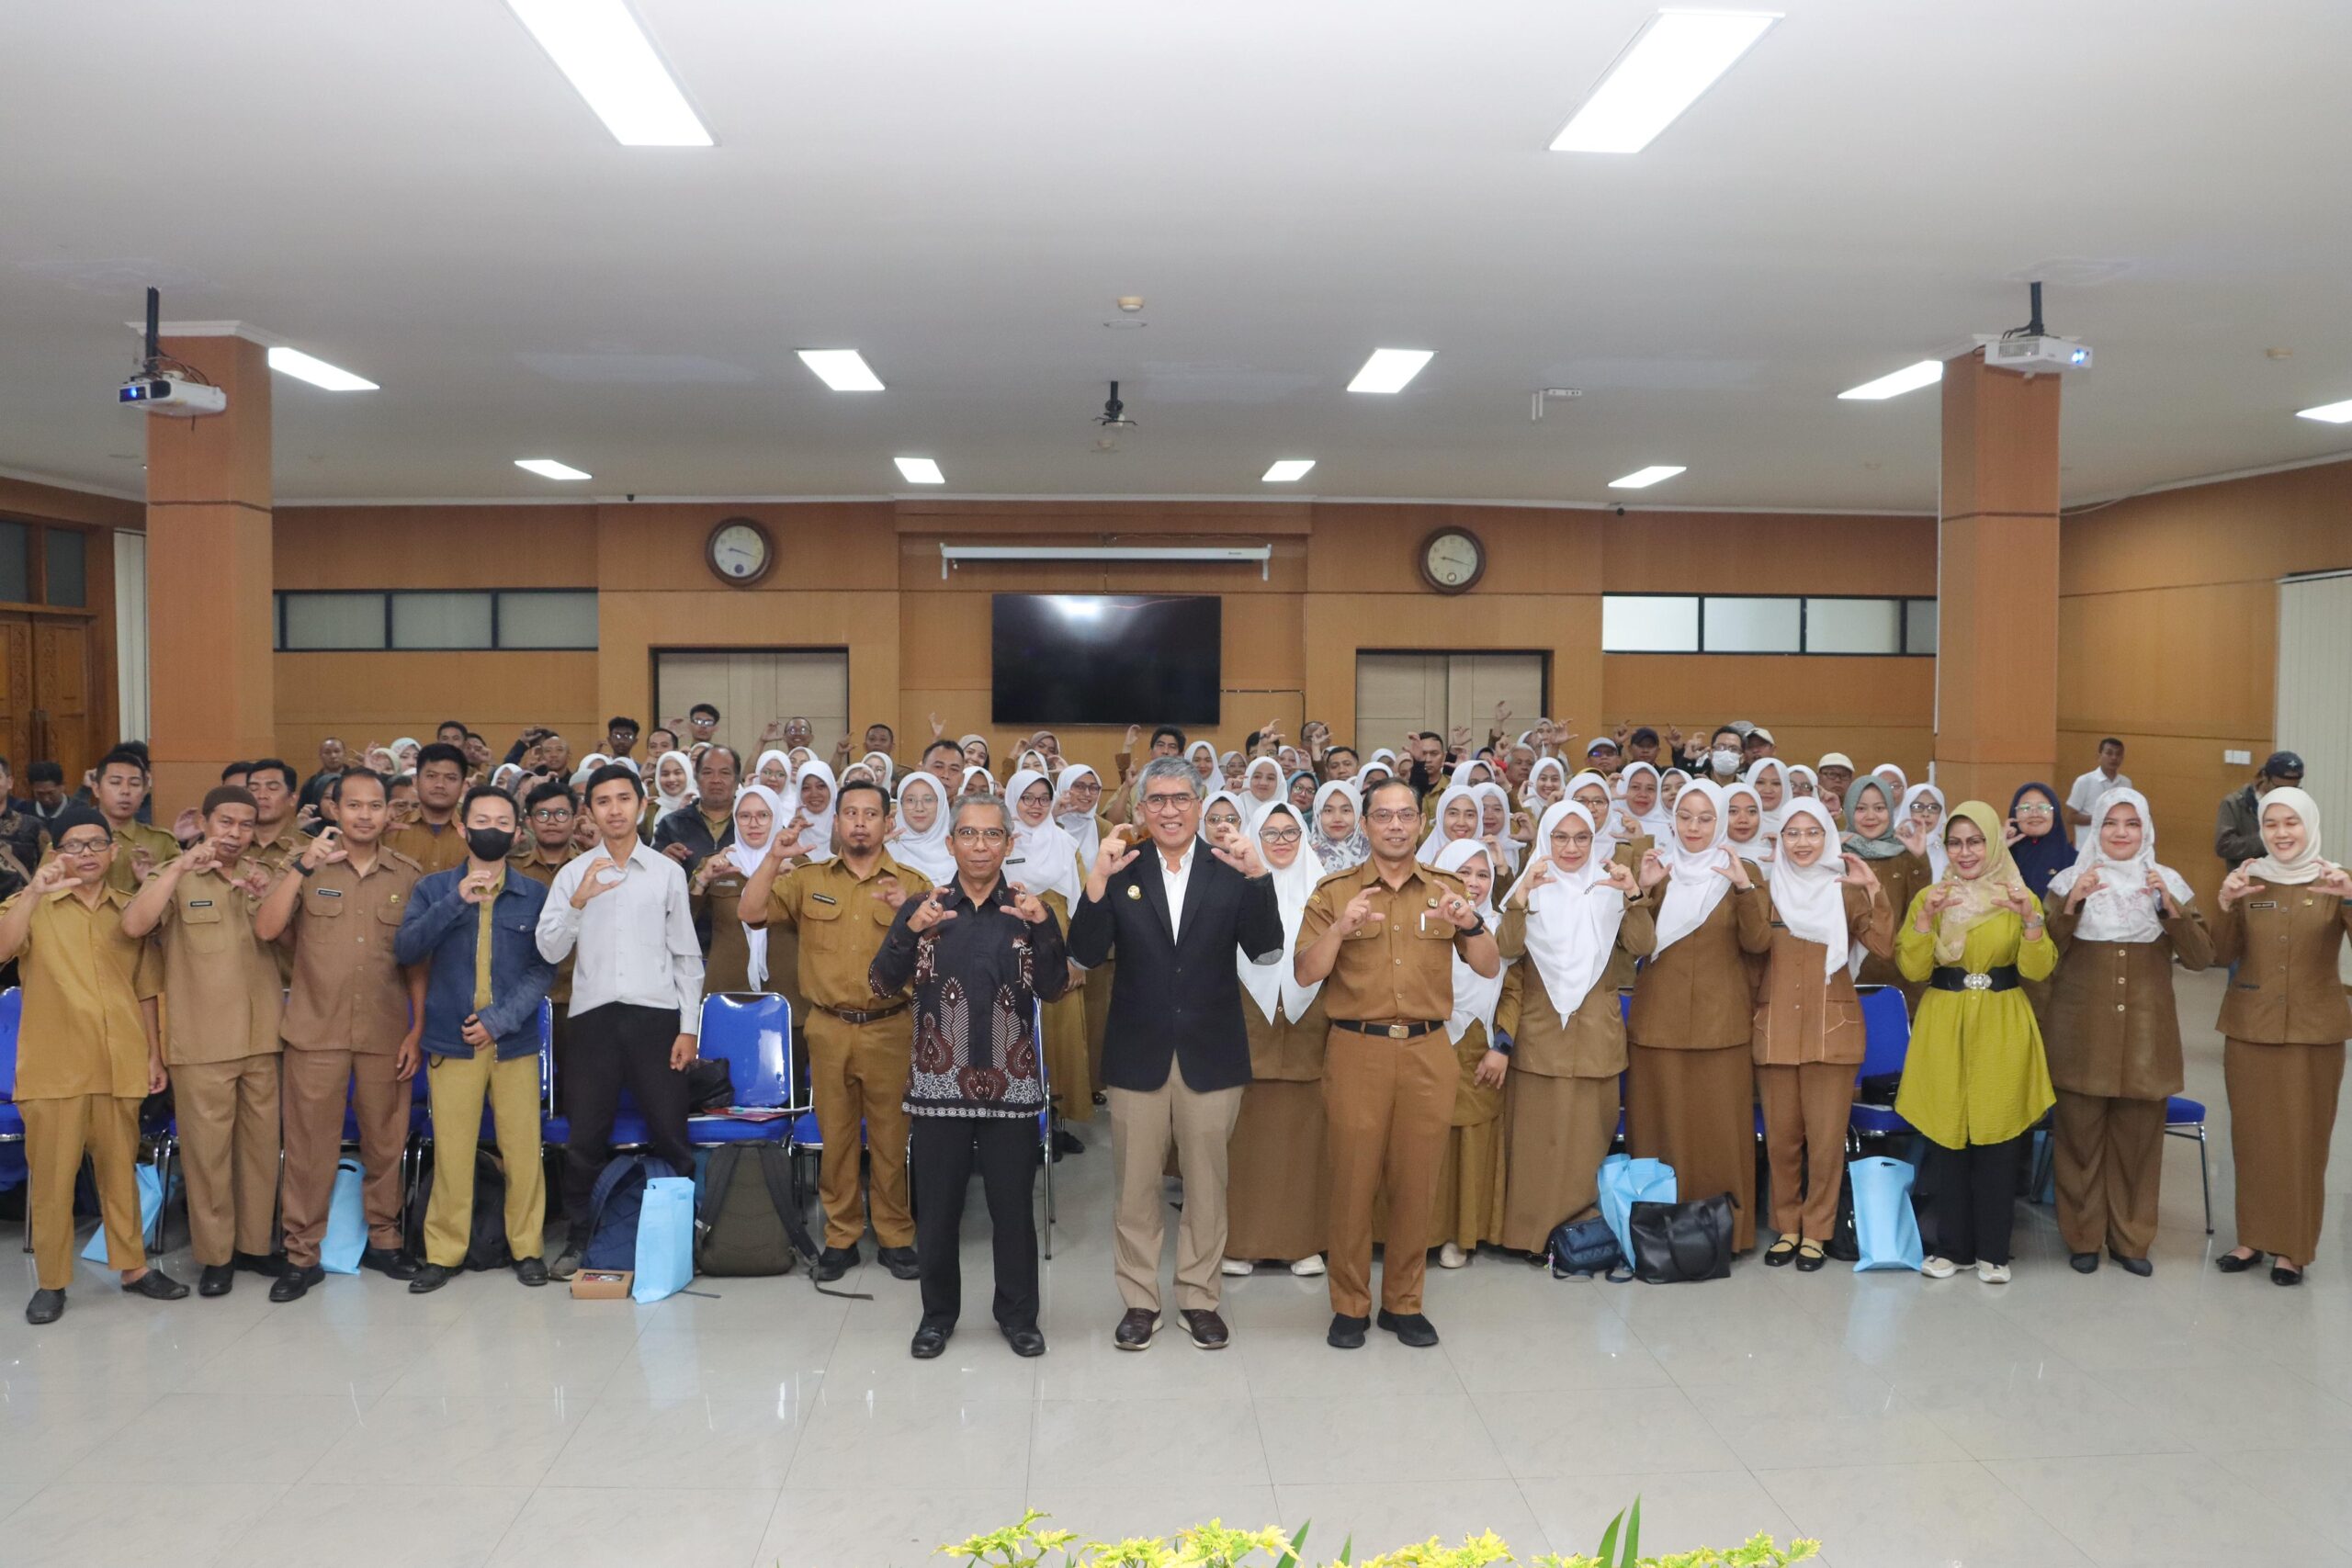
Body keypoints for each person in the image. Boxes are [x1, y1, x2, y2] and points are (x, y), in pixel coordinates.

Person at [1068, 757, 1282, 1351]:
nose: (1169, 810)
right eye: (1157, 800)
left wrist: (1258, 874)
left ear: (1200, 805)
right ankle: (1140, 1300)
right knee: (1135, 1188)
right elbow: (1083, 954)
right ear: (1141, 809)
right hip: (1138, 1053)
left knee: (1206, 1188)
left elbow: (1266, 951)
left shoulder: (1229, 868)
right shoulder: (1122, 868)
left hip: (1211, 1053)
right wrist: (1096, 880)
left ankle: (1198, 1297)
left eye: (1180, 798)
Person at [1295, 777, 1500, 1349]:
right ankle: (1350, 1306)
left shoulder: (1446, 889)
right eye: (1383, 816)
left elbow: (1489, 966)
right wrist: (1341, 929)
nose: (1395, 826)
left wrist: (1470, 922)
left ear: (1420, 823)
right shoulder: (1335, 891)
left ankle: (1404, 1303)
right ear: (1365, 825)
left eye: (1406, 815)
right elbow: (1305, 972)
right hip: (1357, 1048)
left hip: (1428, 1051)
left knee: (1417, 1181)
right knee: (1352, 1181)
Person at [870, 793, 1069, 1359]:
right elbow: (881, 983)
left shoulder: (1028, 910)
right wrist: (910, 931)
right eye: (968, 834)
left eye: (991, 835)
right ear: (950, 841)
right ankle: (937, 1317)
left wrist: (1045, 928)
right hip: (939, 1090)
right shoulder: (926, 907)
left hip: (1013, 1088)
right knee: (937, 1213)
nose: (980, 846)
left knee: (1014, 1212)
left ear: (1009, 843)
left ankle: (1018, 1317)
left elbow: (1056, 988)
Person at [2, 809, 187, 1323]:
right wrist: (33, 892)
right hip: (53, 1068)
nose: (85, 854)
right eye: (73, 845)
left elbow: (146, 989)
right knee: (52, 1183)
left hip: (118, 1061)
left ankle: (134, 1268)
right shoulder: (32, 905)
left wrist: (153, 1053)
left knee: (121, 1174)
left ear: (113, 851)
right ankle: (52, 1282)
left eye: (95, 844)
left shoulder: (129, 910)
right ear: (56, 852)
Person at [742, 778, 931, 1282]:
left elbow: (938, 957)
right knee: (837, 1139)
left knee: (891, 1139)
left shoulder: (912, 884)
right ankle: (841, 1236)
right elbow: (750, 912)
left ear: (888, 823)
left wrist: (909, 913)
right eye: (851, 814)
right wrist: (772, 857)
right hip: (828, 1027)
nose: (860, 823)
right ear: (837, 821)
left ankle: (895, 1235)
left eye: (871, 814)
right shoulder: (808, 879)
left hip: (890, 1026)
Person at [253, 772, 427, 1298]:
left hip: (385, 1029)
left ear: (389, 813)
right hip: (315, 1031)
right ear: (335, 810)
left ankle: (385, 1240)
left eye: (375, 806)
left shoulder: (408, 875)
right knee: (309, 1147)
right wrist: (303, 864)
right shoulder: (306, 865)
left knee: (385, 1142)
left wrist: (417, 1029)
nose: (365, 815)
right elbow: (266, 929)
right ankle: (301, 1254)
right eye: (354, 805)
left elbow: (418, 965)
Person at [538, 764, 705, 1280]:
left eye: (623, 799)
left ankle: (684, 1235)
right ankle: (580, 1235)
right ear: (589, 811)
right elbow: (548, 948)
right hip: (592, 1022)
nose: (614, 809)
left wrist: (689, 1028)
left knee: (671, 1133)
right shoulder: (573, 874)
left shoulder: (666, 872)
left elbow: (686, 957)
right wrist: (578, 901)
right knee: (585, 1139)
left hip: (656, 1020)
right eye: (603, 801)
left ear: (642, 804)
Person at [120, 786, 287, 1296]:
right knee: (208, 1157)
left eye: (245, 824)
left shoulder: (263, 877)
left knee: (260, 1152)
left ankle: (254, 1246)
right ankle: (217, 1256)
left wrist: (268, 893)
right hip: (202, 1041)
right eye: (225, 822)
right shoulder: (177, 875)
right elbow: (134, 924)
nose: (235, 833)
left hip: (262, 1038)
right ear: (205, 821)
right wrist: (176, 866)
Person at [393, 784, 558, 1292]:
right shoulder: (433, 889)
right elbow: (406, 949)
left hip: (512, 1042)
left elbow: (543, 969)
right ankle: (444, 1253)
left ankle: (527, 1248)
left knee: (523, 1152)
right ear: (463, 828)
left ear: (517, 832)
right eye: (481, 821)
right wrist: (454, 902)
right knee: (453, 1151)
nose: (492, 829)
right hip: (451, 1041)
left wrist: (498, 1020)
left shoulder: (534, 894)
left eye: (503, 822)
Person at [2043, 789, 2211, 1276]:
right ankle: (2082, 1238)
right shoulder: (2068, 881)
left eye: (2132, 823)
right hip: (2080, 1033)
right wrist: (2072, 904)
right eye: (2111, 823)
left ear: (2146, 830)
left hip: (2146, 1037)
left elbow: (2202, 957)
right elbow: (2041, 954)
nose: (2121, 832)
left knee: (2139, 1145)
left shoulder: (2168, 883)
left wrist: (2169, 909)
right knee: (2078, 1141)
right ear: (2096, 828)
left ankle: (2132, 1241)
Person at [1894, 801, 2058, 1283]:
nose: (1965, 852)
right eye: (1955, 843)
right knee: (1947, 1136)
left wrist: (2031, 921)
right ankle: (1952, 1248)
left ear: (1993, 843)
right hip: (1944, 1022)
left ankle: (1994, 1252)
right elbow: (1913, 969)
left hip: (2001, 1022)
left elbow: (2039, 969)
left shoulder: (2019, 896)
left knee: (1997, 1139)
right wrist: (1924, 922)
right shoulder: (1931, 897)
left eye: (1975, 842)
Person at [1494, 802, 1651, 1261]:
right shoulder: (1530, 888)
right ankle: (1529, 1236)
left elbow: (1644, 945)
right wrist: (1522, 896)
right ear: (1546, 839)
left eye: (1582, 837)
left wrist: (1633, 894)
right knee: (1534, 1143)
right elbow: (1506, 948)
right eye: (1560, 837)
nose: (1571, 847)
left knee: (1586, 1142)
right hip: (1540, 1034)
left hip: (1595, 1036)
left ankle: (1577, 1236)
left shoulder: (1608, 888)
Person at [2210, 786, 2352, 1285]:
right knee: (2252, 1138)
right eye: (2271, 824)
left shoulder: (2335, 878)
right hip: (2250, 1028)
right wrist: (2226, 903)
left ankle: (2293, 1249)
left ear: (2309, 825)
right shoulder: (2249, 878)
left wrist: (2349, 897)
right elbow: (2216, 954)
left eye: (2291, 822)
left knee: (2303, 1142)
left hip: (2315, 1034)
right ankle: (2251, 1238)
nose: (2281, 833)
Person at [1626, 781, 1771, 1258]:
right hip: (1658, 1024)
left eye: (1706, 818)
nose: (1694, 827)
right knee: (1659, 1131)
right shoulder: (1657, 867)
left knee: (1719, 1136)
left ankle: (1725, 1233)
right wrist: (1642, 891)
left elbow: (1758, 943)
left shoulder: (1742, 870)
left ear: (1721, 822)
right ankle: (1656, 1234)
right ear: (1673, 819)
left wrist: (1744, 887)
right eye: (1685, 816)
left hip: (1721, 1025)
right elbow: (1635, 944)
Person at [1749, 798, 1893, 1267]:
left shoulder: (1843, 889)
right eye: (1793, 833)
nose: (1803, 842)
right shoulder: (1767, 890)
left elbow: (1883, 946)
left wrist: (1873, 889)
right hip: (1776, 1028)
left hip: (1832, 1030)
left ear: (1828, 836)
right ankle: (1787, 1227)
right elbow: (1749, 955)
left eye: (1813, 832)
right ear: (1780, 839)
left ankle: (1817, 1231)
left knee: (1827, 1141)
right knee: (1782, 1140)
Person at [1221, 798, 1336, 1280]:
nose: (1282, 842)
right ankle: (1240, 1243)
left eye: (1291, 832)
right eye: (1270, 833)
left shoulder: (1325, 891)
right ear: (1254, 838)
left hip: (1311, 1032)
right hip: (1247, 1026)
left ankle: (1301, 1243)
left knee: (1306, 1142)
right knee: (1244, 1141)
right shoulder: (1232, 887)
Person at [1429, 838, 1517, 1269]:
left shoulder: (1501, 929)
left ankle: (1460, 1236)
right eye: (1463, 872)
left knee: (1470, 1141)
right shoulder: (1422, 923)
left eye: (1483, 874)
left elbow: (1515, 991)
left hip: (1479, 1045)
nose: (1474, 883)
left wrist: (1502, 1046)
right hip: (1426, 1041)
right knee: (1425, 1140)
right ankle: (1419, 1233)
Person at [1005, 766, 1091, 1142]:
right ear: (1013, 799)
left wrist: (1077, 959)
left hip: (1058, 947)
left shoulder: (1065, 844)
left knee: (1060, 1033)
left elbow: (1083, 905)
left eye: (1044, 798)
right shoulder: (1001, 843)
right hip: (1011, 948)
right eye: (1027, 797)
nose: (1036, 805)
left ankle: (1055, 1123)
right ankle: (1020, 1124)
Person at [1840, 774, 1931, 1001]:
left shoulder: (1903, 855)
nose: (1871, 816)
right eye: (1861, 808)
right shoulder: (1837, 853)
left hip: (1896, 974)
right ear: (1849, 810)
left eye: (1879, 808)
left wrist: (1919, 858)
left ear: (1890, 810)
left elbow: (1917, 909)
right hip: (1844, 975)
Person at [90, 747, 177, 892]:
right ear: (96, 789)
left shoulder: (162, 842)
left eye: (135, 784)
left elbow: (183, 895)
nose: (125, 791)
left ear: (144, 792)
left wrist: (154, 881)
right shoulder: (72, 842)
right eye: (115, 782)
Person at [386, 742, 471, 874]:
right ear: (415, 781)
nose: (440, 784)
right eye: (431, 776)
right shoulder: (390, 830)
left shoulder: (474, 834)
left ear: (463, 785)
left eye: (450, 778)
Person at [2215, 750, 2304, 865]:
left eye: (2293, 789)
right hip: (2248, 874)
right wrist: (2268, 838)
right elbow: (2224, 846)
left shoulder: (2298, 801)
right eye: (2279, 788)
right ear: (2264, 776)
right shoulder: (2234, 803)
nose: (2285, 793)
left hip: (2287, 872)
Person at [2063, 739, 2131, 843]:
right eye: (2109, 753)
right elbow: (2071, 817)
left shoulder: (2126, 783)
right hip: (2088, 846)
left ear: (2122, 758)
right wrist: (2102, 819)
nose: (2114, 757)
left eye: (2118, 754)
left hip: (2115, 845)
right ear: (2099, 755)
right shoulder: (2084, 781)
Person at [1310, 779, 1369, 873]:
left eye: (1346, 810)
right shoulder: (1307, 857)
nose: (1337, 819)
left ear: (1358, 813)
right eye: (1328, 810)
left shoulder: (1376, 853)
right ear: (1317, 815)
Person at [297, 738, 345, 814]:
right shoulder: (311, 784)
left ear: (344, 753)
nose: (333, 756)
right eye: (327, 752)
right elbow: (301, 811)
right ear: (320, 755)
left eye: (337, 751)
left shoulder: (354, 779)